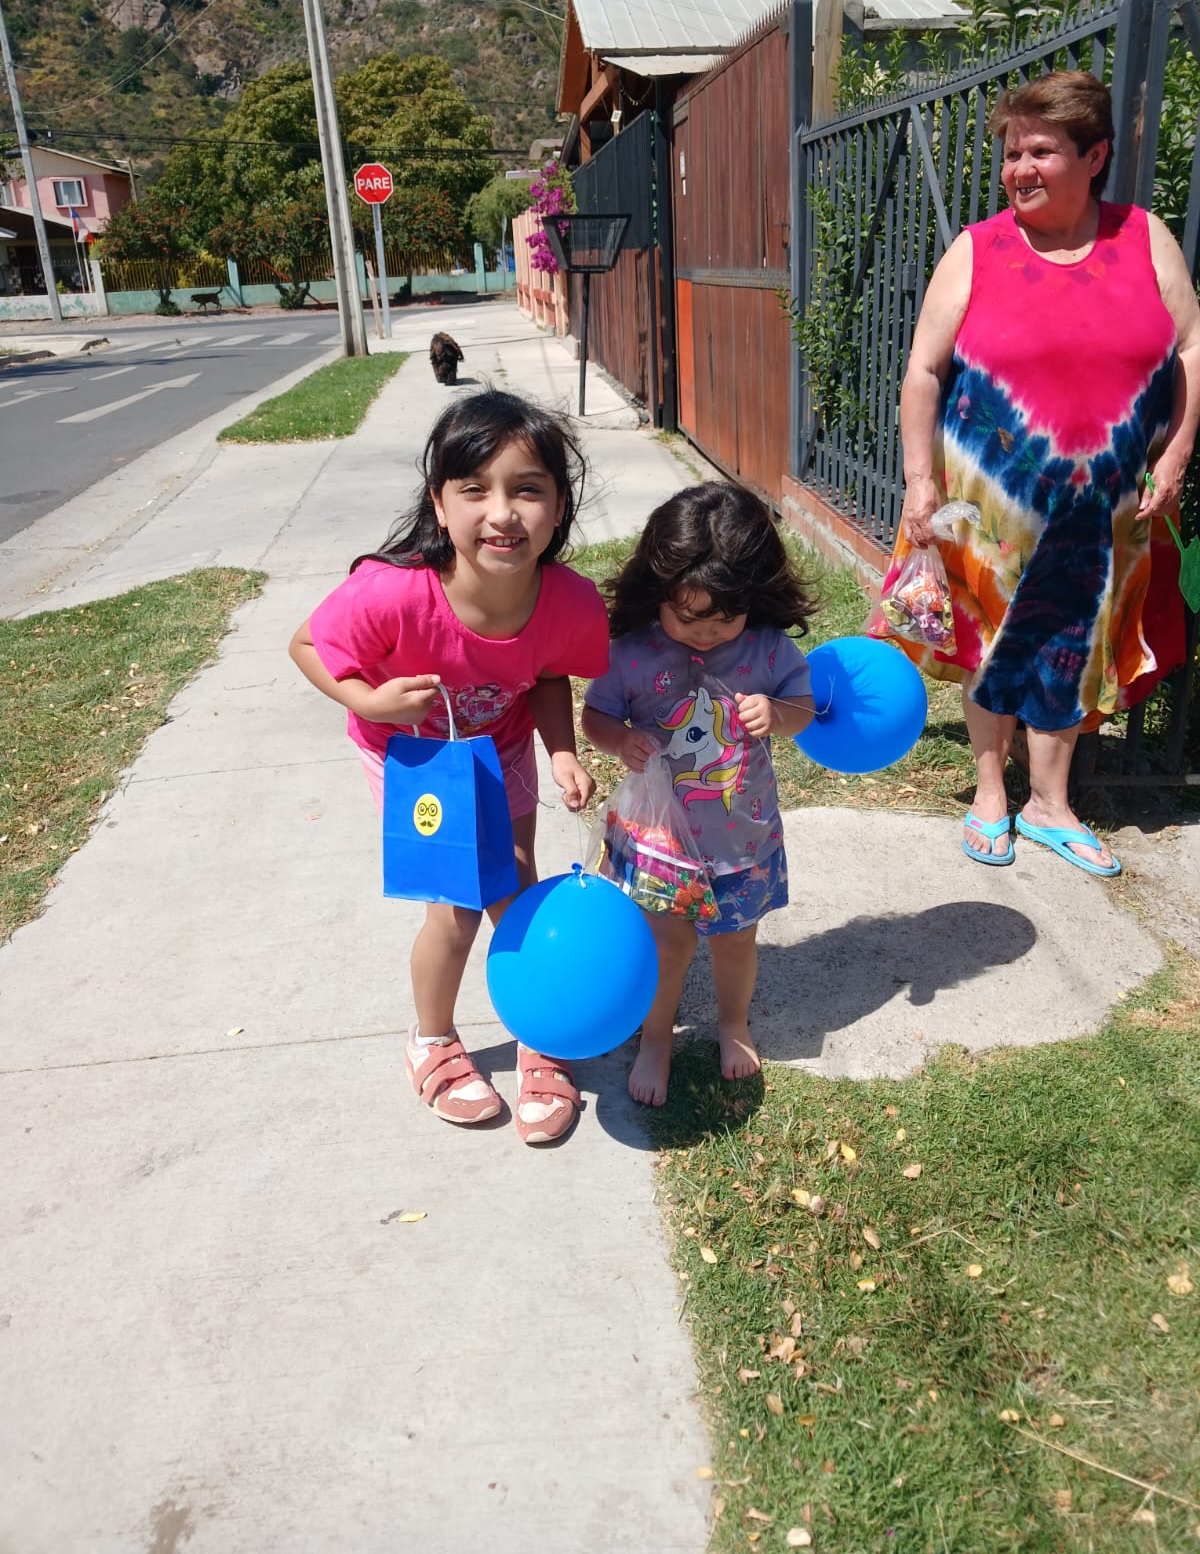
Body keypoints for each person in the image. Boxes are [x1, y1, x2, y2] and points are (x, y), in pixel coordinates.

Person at [873, 69, 1200, 877]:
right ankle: (991, 791)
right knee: (991, 636)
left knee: (1078, 639)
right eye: (1012, 153)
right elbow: (923, 369)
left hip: (1107, 504)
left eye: (1040, 152)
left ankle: (1051, 804)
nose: (1019, 169)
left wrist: (1176, 454)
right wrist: (919, 480)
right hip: (991, 499)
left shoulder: (1144, 238)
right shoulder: (978, 249)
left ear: (1094, 157)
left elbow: (1191, 349)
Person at [289, 389, 609, 1143]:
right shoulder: (393, 592)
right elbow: (306, 645)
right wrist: (367, 700)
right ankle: (431, 1038)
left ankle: (538, 1026)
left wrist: (561, 751)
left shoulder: (568, 601)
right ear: (439, 504)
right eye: (475, 490)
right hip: (414, 757)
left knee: (518, 886)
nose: (502, 513)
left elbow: (549, 674)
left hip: (499, 744)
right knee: (458, 906)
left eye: (527, 489)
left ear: (559, 506)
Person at [581, 482, 817, 1107]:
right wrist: (620, 739)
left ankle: (733, 1024)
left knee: (736, 940)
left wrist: (778, 714)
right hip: (662, 843)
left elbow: (803, 705)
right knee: (667, 944)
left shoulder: (766, 647)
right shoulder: (632, 654)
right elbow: (595, 717)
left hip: (743, 839)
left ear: (753, 599)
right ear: (658, 590)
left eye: (723, 620)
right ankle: (656, 1037)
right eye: (687, 618)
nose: (706, 634)